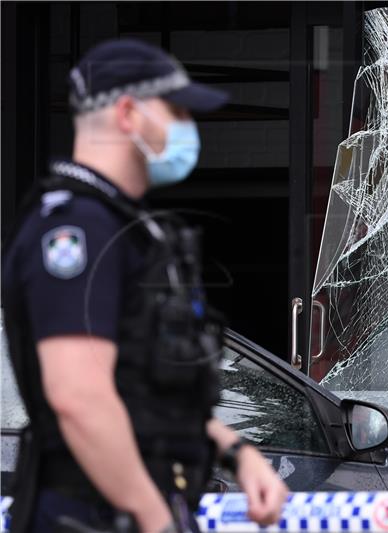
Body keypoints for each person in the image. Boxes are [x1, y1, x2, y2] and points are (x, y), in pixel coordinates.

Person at [1, 39, 287, 532]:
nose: (187, 127)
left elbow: (140, 391)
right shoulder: (75, 228)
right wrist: (153, 517)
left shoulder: (125, 230)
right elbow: (80, 397)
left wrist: (236, 451)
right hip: (88, 515)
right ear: (129, 113)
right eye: (176, 110)